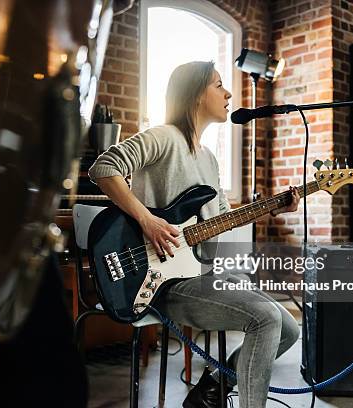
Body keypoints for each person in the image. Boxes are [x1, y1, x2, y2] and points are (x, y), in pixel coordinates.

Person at [88, 61, 300, 408]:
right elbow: (103, 168)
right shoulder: (163, 137)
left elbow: (222, 220)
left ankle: (213, 386)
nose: (229, 93)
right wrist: (147, 220)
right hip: (163, 282)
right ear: (196, 94)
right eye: (219, 85)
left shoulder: (210, 159)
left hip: (200, 272)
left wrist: (271, 209)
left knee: (289, 329)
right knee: (266, 317)